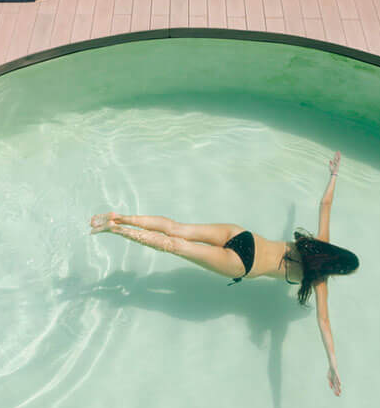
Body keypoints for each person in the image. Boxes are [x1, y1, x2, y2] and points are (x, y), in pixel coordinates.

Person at [90, 150, 358, 394]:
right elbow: (324, 323)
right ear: (338, 270)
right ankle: (116, 229)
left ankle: (119, 217)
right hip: (241, 263)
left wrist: (334, 174)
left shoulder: (318, 243)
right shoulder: (319, 281)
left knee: (177, 229)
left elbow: (325, 205)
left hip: (244, 236)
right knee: (176, 246)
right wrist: (333, 364)